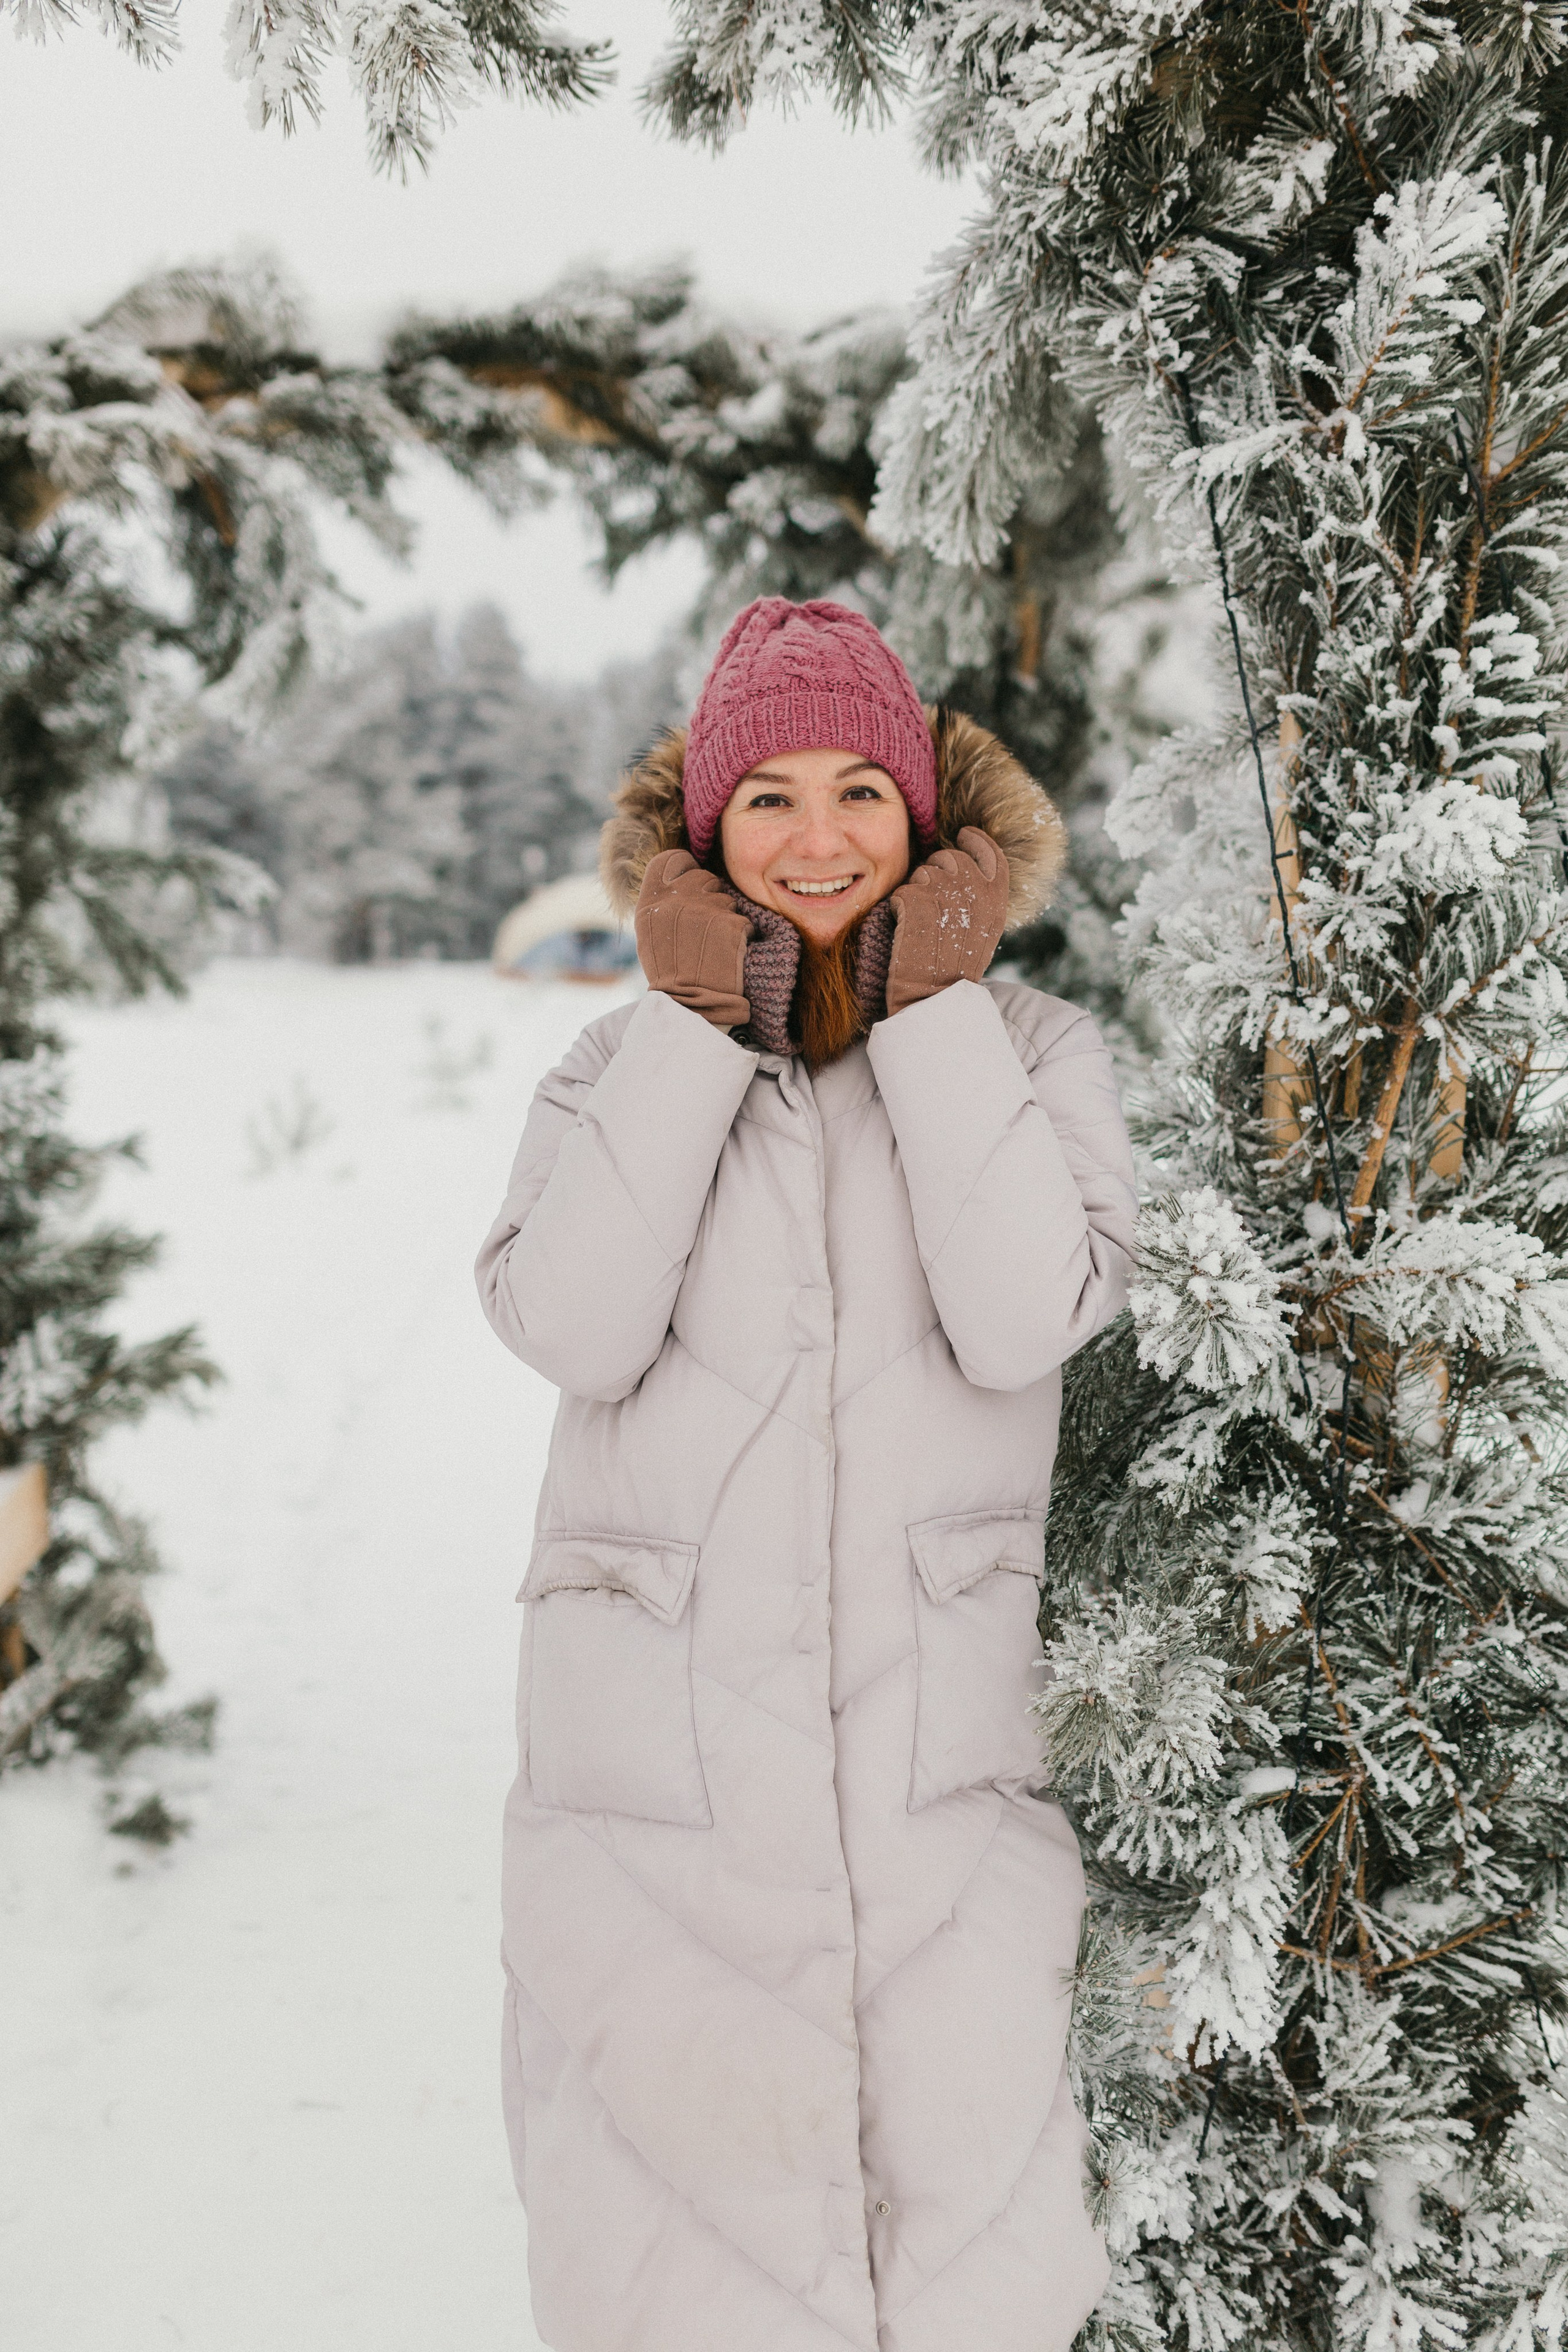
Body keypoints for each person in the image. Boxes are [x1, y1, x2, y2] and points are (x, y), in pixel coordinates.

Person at [475, 597, 1137, 2352]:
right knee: (675, 2240)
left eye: (861, 790)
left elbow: (1029, 1317)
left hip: (943, 1761)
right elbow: (572, 1326)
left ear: (927, 817)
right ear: (706, 833)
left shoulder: (1035, 1053)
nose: (818, 836)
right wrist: (699, 1025)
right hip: (658, 1780)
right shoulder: (613, 1062)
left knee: (961, 2239)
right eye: (767, 796)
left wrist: (932, 1014)